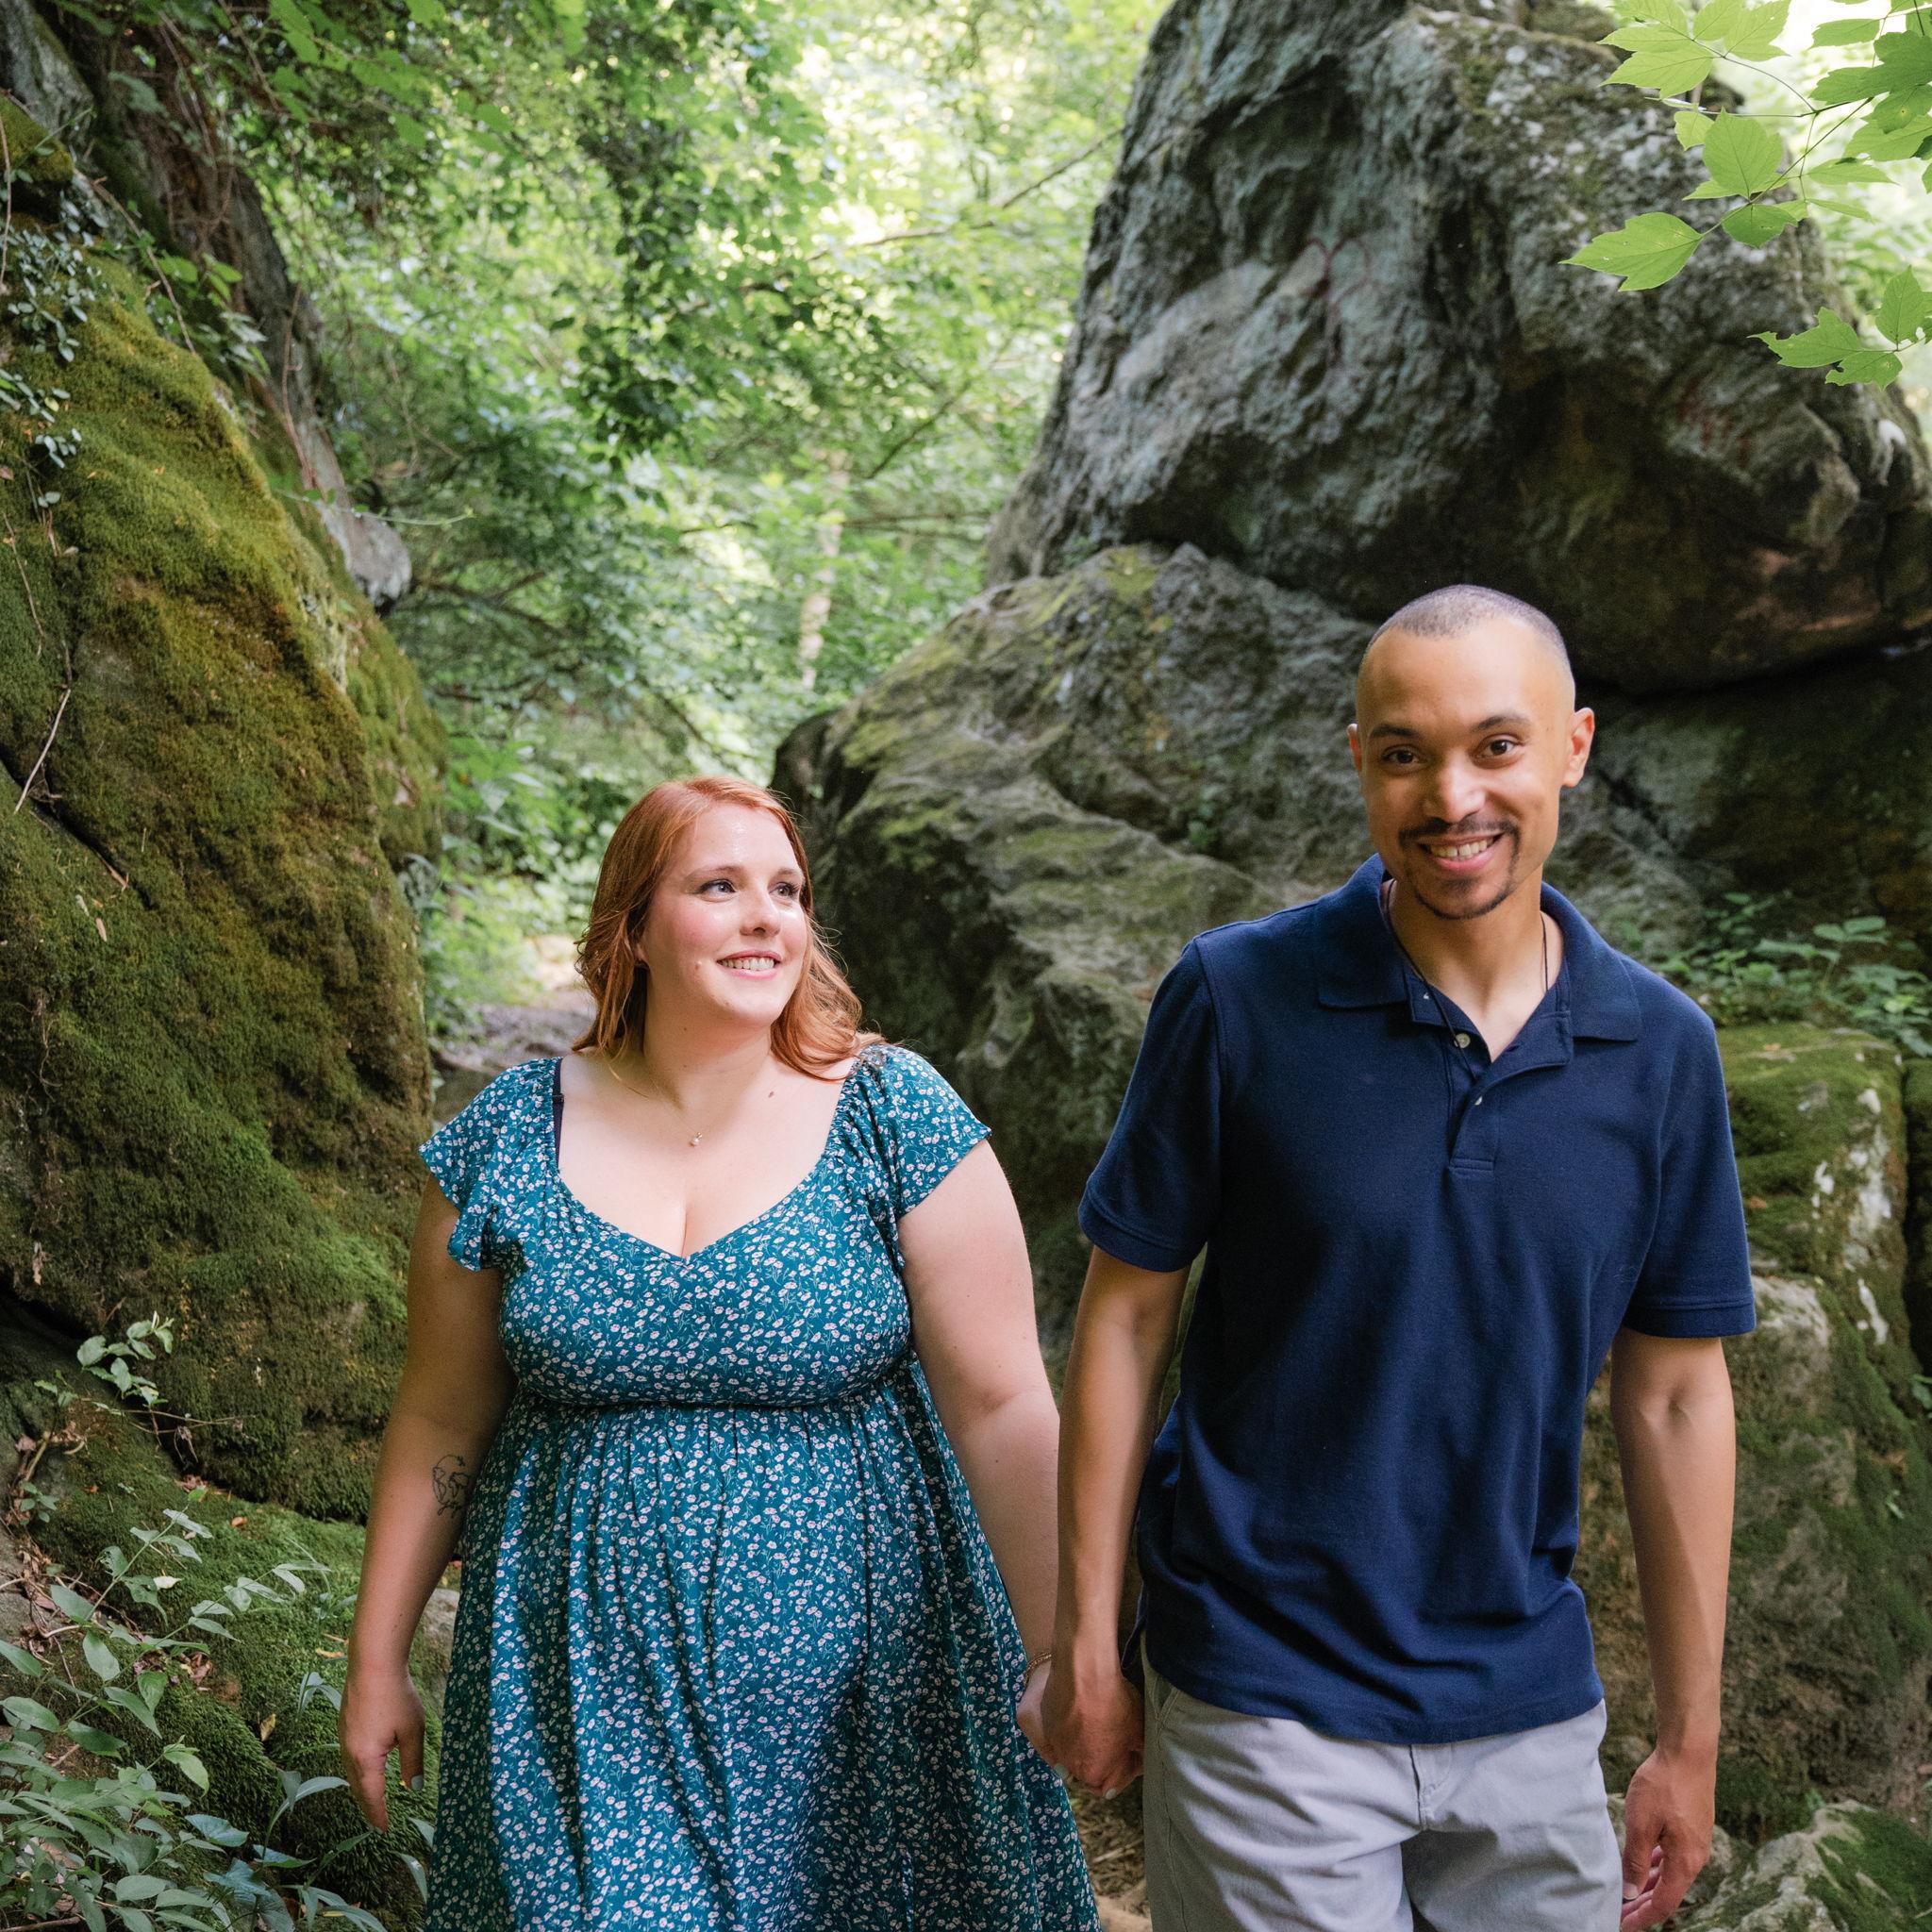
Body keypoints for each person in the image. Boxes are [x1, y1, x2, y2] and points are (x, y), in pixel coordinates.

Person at [1037, 587, 1756, 1932]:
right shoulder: (1236, 996)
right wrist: (1084, 1638)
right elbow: (1124, 1320)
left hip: (1528, 1704)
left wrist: (1687, 1740)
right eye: (1406, 754)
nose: (1452, 796)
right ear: (1359, 761)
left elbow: (1673, 1396)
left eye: (1496, 746)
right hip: (1263, 1689)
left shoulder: (1662, 1052)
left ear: (1573, 748)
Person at [340, 774, 1099, 1931]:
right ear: (632, 927)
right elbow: (439, 1417)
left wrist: (1060, 1651)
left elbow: (1001, 1407)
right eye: (718, 886)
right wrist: (377, 1658)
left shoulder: (894, 1113)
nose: (765, 917)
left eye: (787, 890)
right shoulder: (508, 1137)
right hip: (580, 1691)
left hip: (871, 1710)